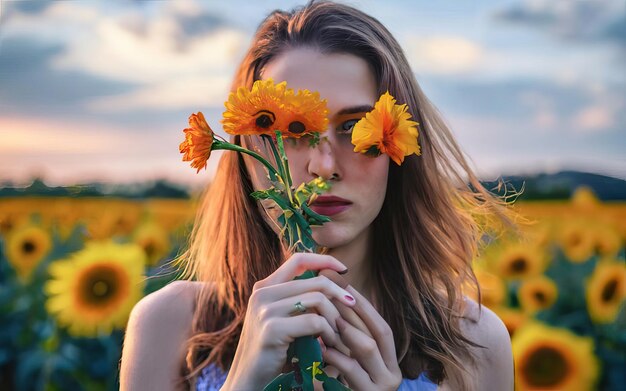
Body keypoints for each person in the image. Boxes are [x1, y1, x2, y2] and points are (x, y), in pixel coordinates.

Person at [120, 1, 516, 390]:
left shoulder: (474, 345)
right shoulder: (170, 326)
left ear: (399, 146)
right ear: (244, 153)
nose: (323, 166)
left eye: (354, 128)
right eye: (291, 131)